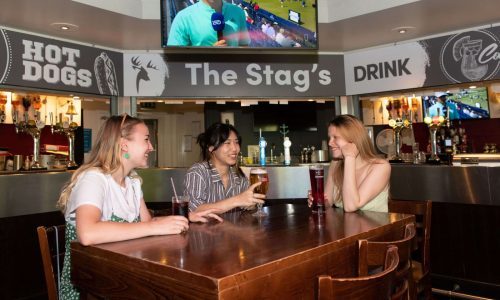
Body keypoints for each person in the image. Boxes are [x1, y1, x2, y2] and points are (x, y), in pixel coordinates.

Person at [57, 114, 221, 299]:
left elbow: (147, 223)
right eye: (146, 139)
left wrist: (185, 218)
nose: (151, 147)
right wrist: (152, 226)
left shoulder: (133, 181)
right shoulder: (94, 178)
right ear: (124, 144)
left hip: (122, 281)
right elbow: (88, 234)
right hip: (89, 288)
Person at [308, 114, 391, 212]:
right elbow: (328, 201)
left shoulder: (381, 167)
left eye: (335, 137)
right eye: (330, 138)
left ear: (353, 140)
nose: (330, 143)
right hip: (347, 226)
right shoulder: (336, 163)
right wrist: (318, 201)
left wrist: (350, 157)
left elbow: (350, 207)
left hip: (375, 227)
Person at [183, 122, 265, 214]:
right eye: (227, 143)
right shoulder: (198, 172)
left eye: (236, 142)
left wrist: (250, 204)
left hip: (231, 228)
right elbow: (194, 210)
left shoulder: (239, 177)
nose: (234, 148)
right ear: (211, 147)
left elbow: (246, 203)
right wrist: (237, 200)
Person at [167, 0, 250, 47]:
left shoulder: (238, 12)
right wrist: (210, 55)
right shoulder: (183, 17)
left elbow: (244, 47)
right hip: (199, 75)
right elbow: (174, 59)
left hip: (232, 75)